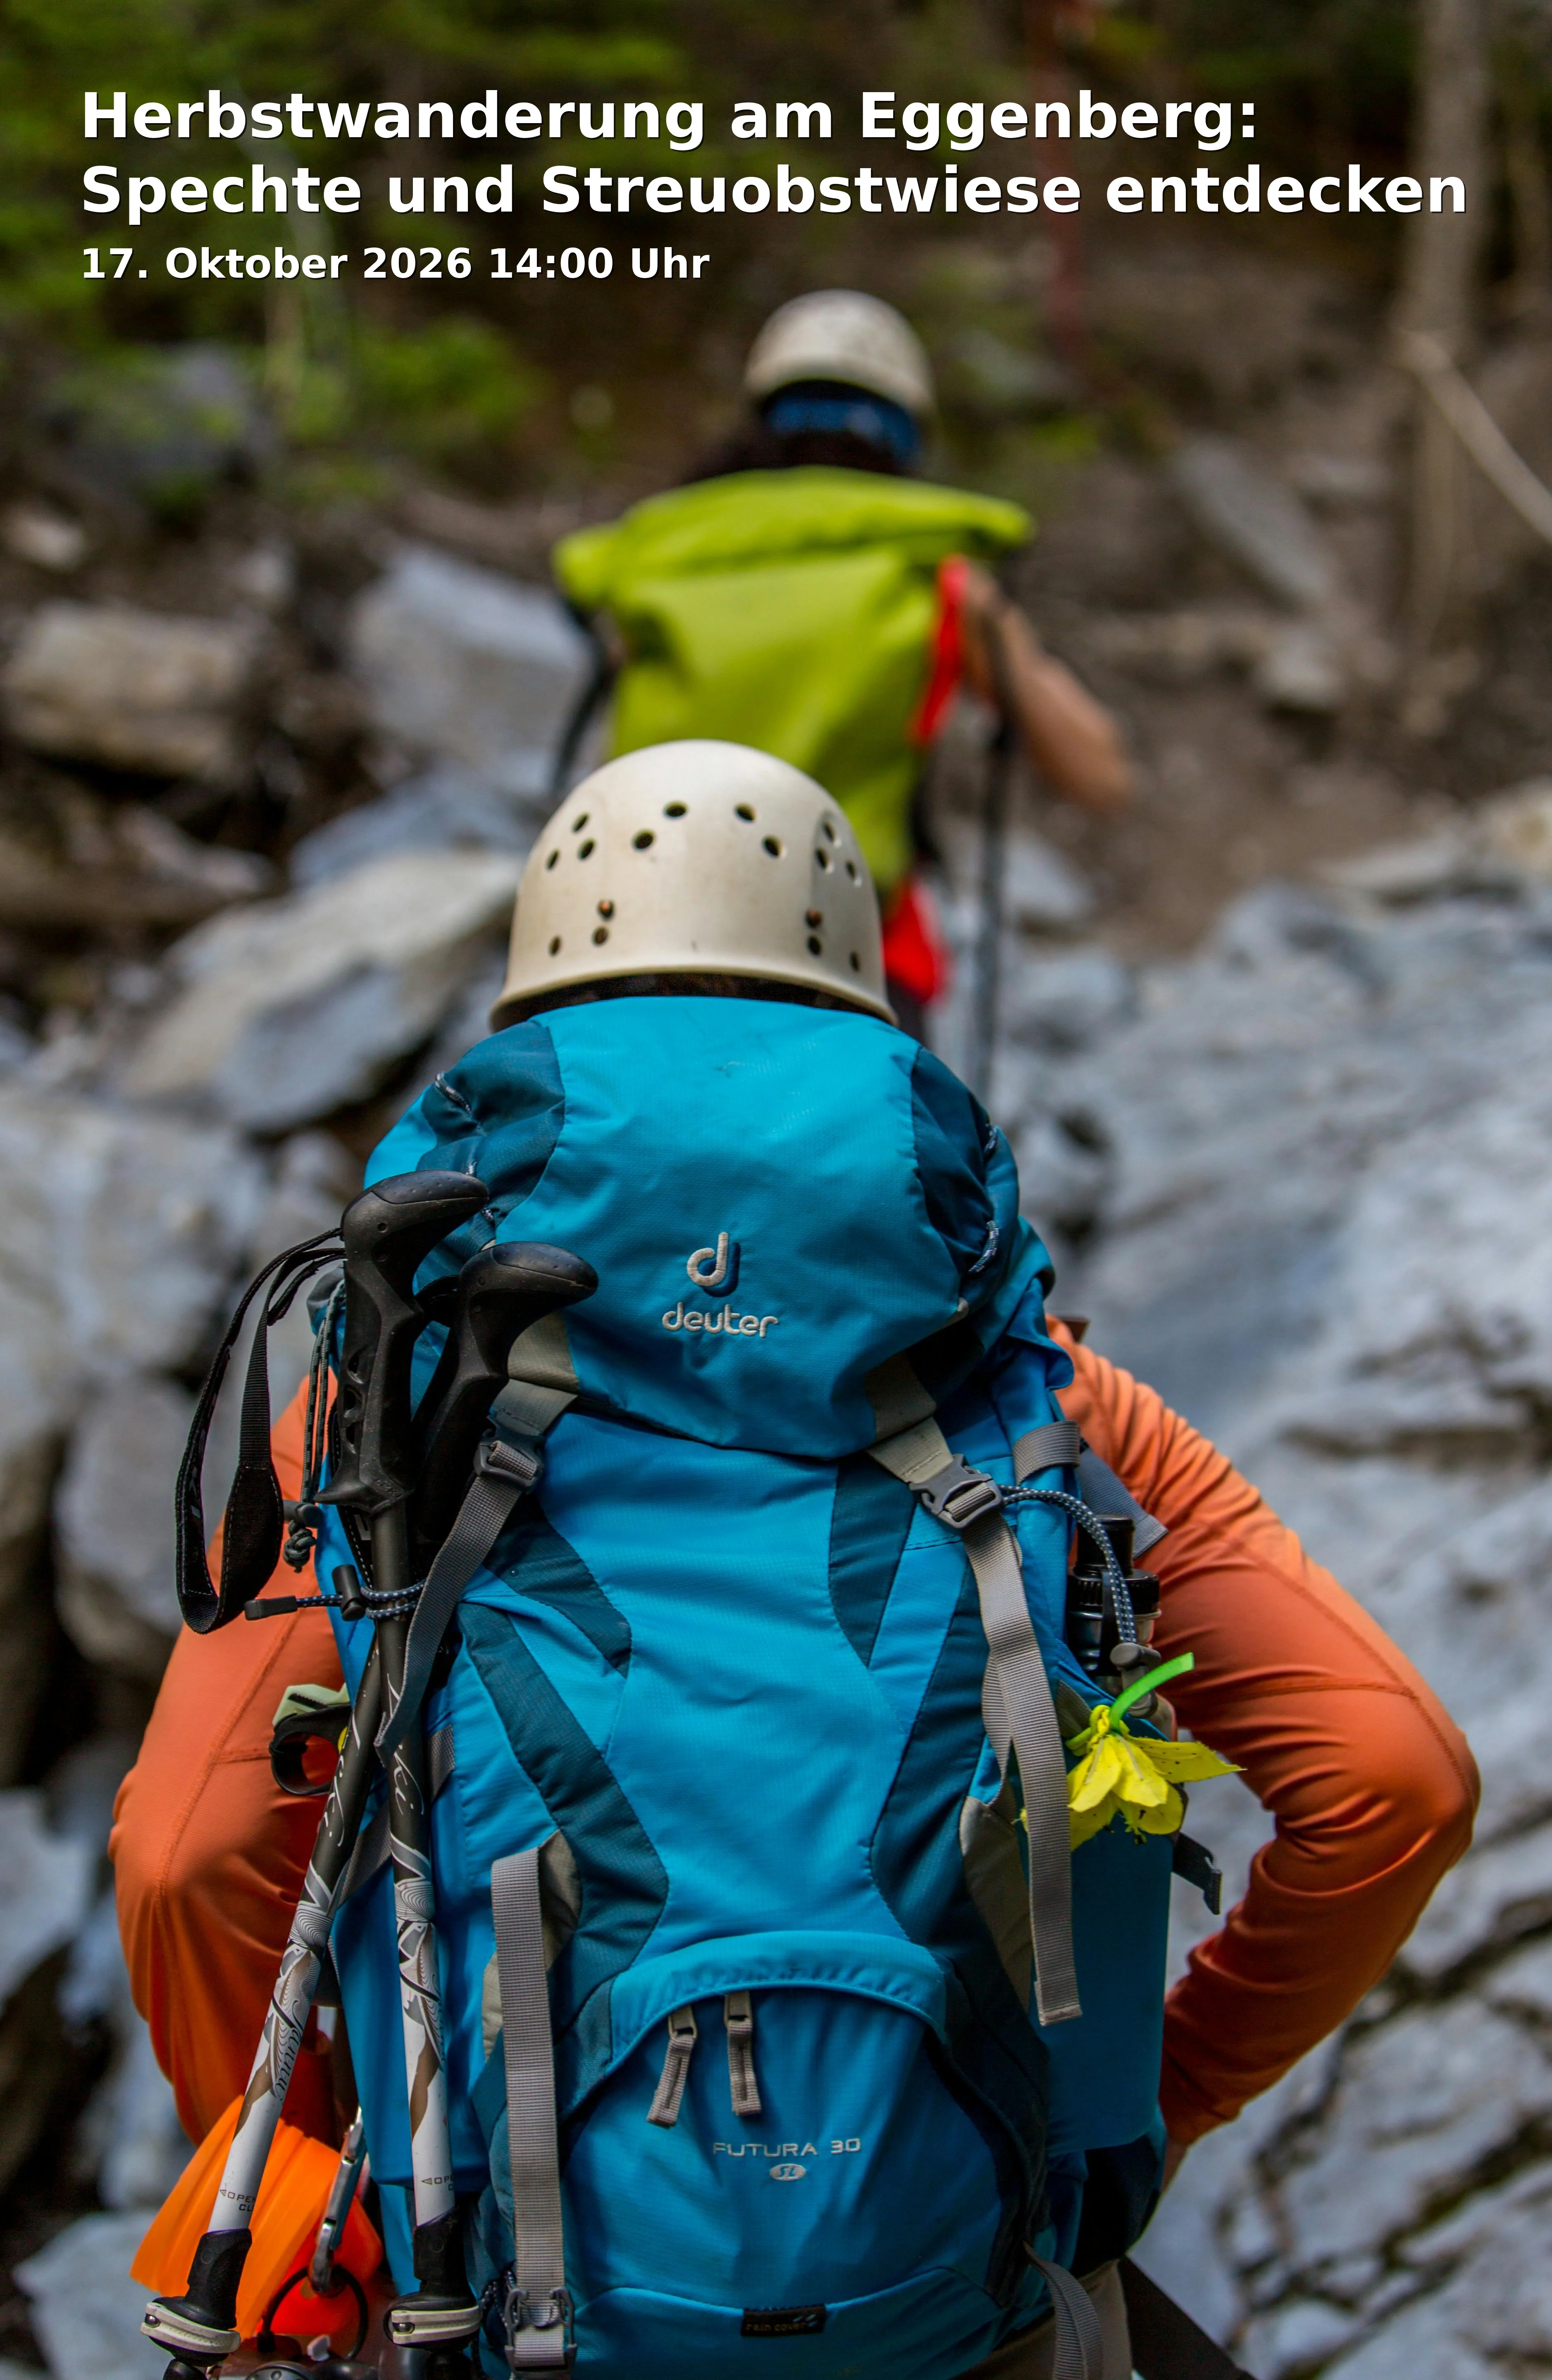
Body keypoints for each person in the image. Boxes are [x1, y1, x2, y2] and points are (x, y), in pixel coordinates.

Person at [112, 744, 1476, 2380]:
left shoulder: (395, 1382)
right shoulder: (1040, 1395)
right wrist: (1131, 2114)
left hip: (497, 2292)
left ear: (541, 977)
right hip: (954, 2282)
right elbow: (1397, 1781)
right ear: (856, 986)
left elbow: (187, 1857)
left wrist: (332, 2171)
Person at [552, 289, 1130, 1033]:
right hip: (851, 975)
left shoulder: (651, 567)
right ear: (905, 436)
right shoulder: (937, 580)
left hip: (631, 957)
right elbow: (1099, 776)